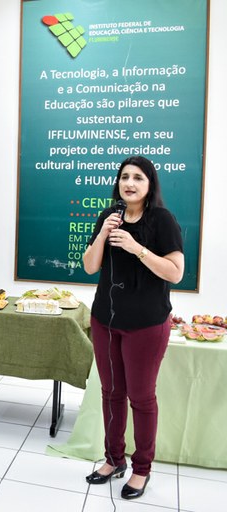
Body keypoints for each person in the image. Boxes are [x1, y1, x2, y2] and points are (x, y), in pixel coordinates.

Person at [82, 155, 184, 500]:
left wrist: (136, 247)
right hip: (105, 321)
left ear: (149, 184)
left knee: (141, 398)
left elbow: (175, 272)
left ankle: (141, 469)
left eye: (138, 177)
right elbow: (90, 266)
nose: (129, 183)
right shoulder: (108, 216)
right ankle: (114, 459)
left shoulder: (162, 220)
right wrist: (105, 234)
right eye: (125, 177)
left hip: (147, 324)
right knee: (111, 393)